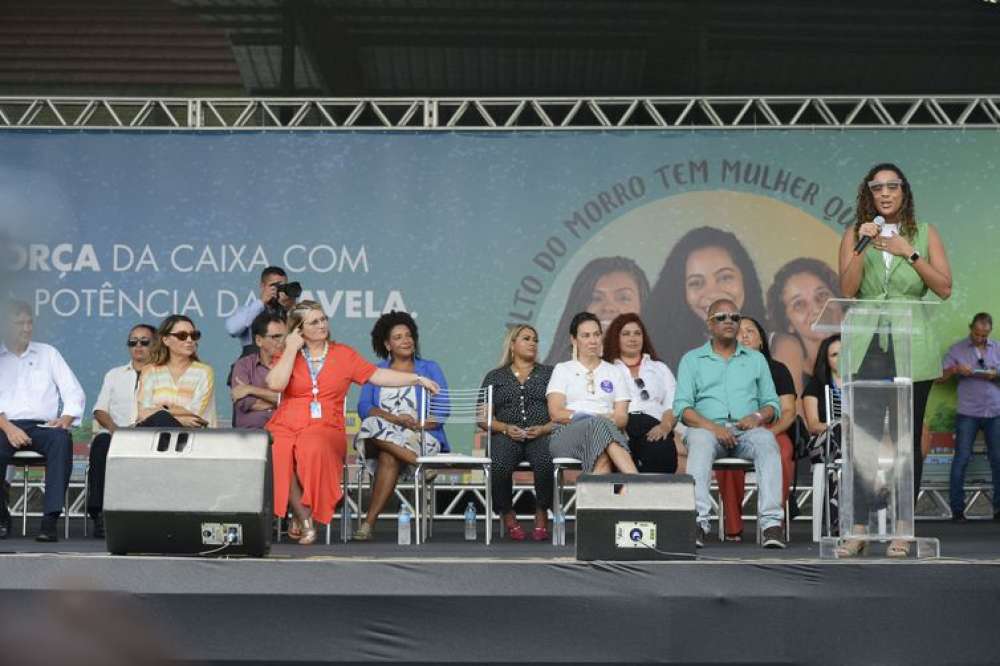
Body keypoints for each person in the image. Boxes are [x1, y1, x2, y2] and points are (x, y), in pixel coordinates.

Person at [837, 162, 952, 557]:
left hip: (911, 342)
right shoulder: (855, 233)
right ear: (868, 195)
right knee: (863, 441)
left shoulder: (925, 233)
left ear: (904, 192)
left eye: (892, 187)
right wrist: (862, 245)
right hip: (868, 343)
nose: (885, 194)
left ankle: (904, 529)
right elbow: (848, 289)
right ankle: (858, 529)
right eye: (877, 188)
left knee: (905, 440)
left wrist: (910, 252)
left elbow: (944, 288)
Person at [267, 304, 439, 545]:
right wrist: (291, 349)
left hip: (325, 425)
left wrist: (417, 379)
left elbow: (377, 376)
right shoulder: (288, 354)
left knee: (311, 446)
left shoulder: (343, 354)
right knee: (277, 450)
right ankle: (303, 516)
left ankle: (303, 513)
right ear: (299, 329)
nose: (322, 324)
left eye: (323, 319)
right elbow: (275, 384)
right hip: (286, 422)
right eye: (314, 322)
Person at [673, 299, 785, 549]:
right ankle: (698, 522)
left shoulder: (756, 360)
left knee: (767, 440)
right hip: (707, 431)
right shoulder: (692, 360)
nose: (729, 322)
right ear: (709, 324)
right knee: (700, 440)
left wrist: (756, 417)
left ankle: (771, 524)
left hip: (746, 432)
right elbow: (682, 408)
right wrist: (715, 428)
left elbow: (772, 405)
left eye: (734, 317)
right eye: (722, 317)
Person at [352, 311, 449, 542]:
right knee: (372, 423)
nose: (406, 340)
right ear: (387, 344)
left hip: (420, 436)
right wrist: (395, 420)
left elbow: (443, 408)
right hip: (385, 433)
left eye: (409, 335)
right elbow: (364, 407)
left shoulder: (429, 368)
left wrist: (418, 425)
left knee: (389, 458)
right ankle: (419, 463)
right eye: (398, 337)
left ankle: (368, 523)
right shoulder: (377, 371)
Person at [0, 301, 85, 542]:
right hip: (4, 425)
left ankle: (49, 521)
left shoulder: (48, 353)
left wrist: (66, 418)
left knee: (61, 439)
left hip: (41, 427)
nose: (26, 329)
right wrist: (8, 428)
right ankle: (0, 516)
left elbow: (73, 391)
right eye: (19, 324)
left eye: (29, 323)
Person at [714, 316, 797, 542]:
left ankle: (773, 526)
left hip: (773, 428)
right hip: (735, 426)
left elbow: (789, 411)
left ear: (761, 341)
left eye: (751, 331)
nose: (744, 335)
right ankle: (733, 525)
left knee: (780, 452)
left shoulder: (777, 369)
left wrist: (768, 434)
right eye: (739, 331)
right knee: (726, 449)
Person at [647, 226, 767, 372]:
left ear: (746, 279)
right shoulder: (659, 355)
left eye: (725, 277)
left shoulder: (777, 345)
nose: (712, 293)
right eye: (696, 283)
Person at [480, 325, 555, 541]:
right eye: (526, 338)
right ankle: (507, 512)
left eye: (535, 339)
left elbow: (559, 414)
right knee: (500, 463)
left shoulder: (549, 374)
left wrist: (543, 428)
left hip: (540, 433)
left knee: (545, 461)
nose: (532, 343)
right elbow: (482, 418)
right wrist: (504, 428)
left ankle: (542, 511)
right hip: (506, 434)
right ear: (513, 344)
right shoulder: (495, 377)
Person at [546, 312, 637, 476]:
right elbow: (556, 413)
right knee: (599, 425)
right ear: (574, 340)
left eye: (596, 334)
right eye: (586, 336)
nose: (593, 340)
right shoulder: (563, 369)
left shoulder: (614, 371)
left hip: (607, 433)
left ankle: (597, 500)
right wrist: (594, 418)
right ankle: (635, 480)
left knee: (602, 454)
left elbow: (622, 418)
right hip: (567, 435)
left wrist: (601, 421)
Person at [87, 322, 156, 538]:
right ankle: (99, 515)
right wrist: (116, 431)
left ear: (155, 345)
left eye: (144, 342)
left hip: (150, 436)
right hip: (116, 434)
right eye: (132, 342)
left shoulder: (161, 375)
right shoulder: (114, 375)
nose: (138, 346)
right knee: (100, 444)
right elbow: (99, 410)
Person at [941, 313, 1000, 522]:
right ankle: (957, 510)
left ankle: (998, 510)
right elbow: (939, 378)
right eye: (977, 334)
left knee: (998, 460)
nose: (980, 338)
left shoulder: (997, 348)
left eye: (984, 335)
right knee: (962, 458)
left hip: (994, 411)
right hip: (968, 412)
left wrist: (996, 374)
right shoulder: (957, 349)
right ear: (970, 328)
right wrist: (956, 369)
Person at [602, 313, 678, 474]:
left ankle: (655, 498)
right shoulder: (606, 369)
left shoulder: (659, 368)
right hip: (621, 427)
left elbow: (673, 404)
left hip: (654, 426)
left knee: (661, 451)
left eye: (637, 333)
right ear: (616, 338)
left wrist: (665, 426)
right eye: (626, 334)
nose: (633, 338)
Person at [544, 257, 650, 365]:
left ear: (644, 306)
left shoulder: (659, 371)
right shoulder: (553, 374)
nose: (608, 307)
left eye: (623, 298)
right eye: (596, 298)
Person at [767, 258, 844, 402]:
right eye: (799, 304)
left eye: (822, 295)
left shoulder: (868, 357)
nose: (816, 309)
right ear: (788, 322)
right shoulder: (790, 374)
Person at [137, 315, 217, 429]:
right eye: (182, 336)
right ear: (165, 340)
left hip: (193, 439)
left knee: (161, 417)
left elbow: (196, 415)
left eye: (194, 335)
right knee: (161, 418)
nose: (189, 340)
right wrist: (181, 419)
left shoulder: (204, 372)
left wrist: (163, 410)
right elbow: (143, 414)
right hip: (153, 439)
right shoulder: (150, 371)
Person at [802, 334, 843, 531]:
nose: (840, 358)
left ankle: (839, 518)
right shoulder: (816, 385)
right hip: (823, 442)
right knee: (839, 434)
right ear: (826, 359)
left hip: (855, 445)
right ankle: (840, 518)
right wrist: (837, 427)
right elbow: (813, 425)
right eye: (835, 354)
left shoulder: (861, 384)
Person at [224, 266, 297, 355]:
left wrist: (290, 307)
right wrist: (261, 302)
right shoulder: (248, 311)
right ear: (262, 286)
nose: (278, 291)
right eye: (274, 286)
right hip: (253, 365)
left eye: (283, 287)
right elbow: (233, 329)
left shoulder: (290, 312)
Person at [231, 313, 286, 429]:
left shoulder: (294, 364)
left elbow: (299, 401)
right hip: (250, 437)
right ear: (259, 340)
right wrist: (281, 401)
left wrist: (251, 389)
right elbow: (244, 402)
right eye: (276, 337)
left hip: (285, 434)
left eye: (285, 337)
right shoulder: (243, 365)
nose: (282, 342)